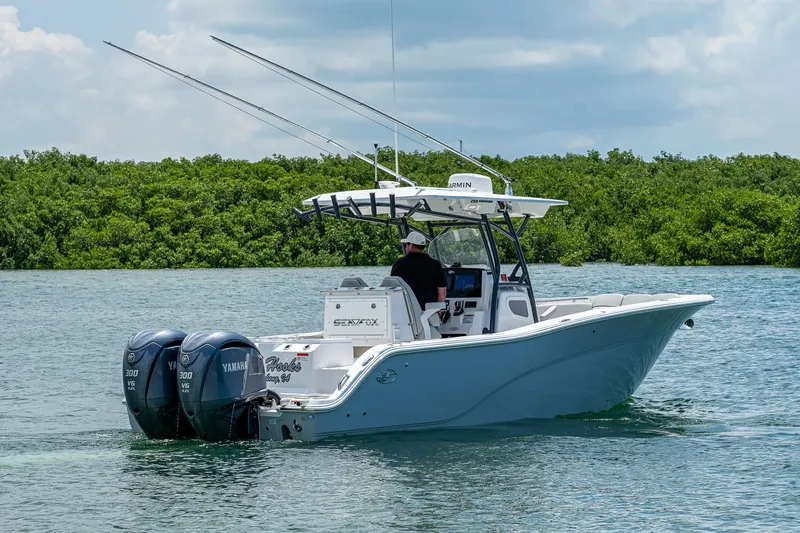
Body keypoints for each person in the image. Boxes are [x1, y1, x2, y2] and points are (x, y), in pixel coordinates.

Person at [390, 231, 447, 309]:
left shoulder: (399, 264)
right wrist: (438, 310)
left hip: (407, 311)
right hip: (429, 312)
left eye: (406, 245)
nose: (406, 247)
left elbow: (392, 289)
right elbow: (442, 292)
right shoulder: (435, 264)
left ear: (411, 246)